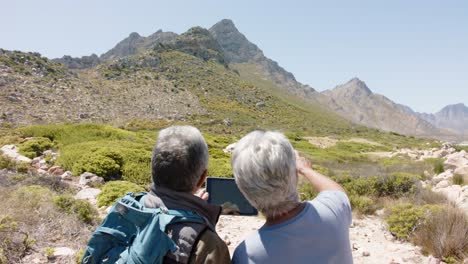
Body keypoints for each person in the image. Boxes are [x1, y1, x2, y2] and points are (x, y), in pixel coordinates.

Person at [231, 131, 353, 264]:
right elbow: (335, 191)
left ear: (244, 190)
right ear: (294, 175)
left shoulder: (245, 255)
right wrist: (306, 170)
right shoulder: (334, 209)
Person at [144, 125, 230, 264]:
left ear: (153, 168)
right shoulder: (209, 246)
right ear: (202, 178)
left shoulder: (122, 210)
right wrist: (203, 225)